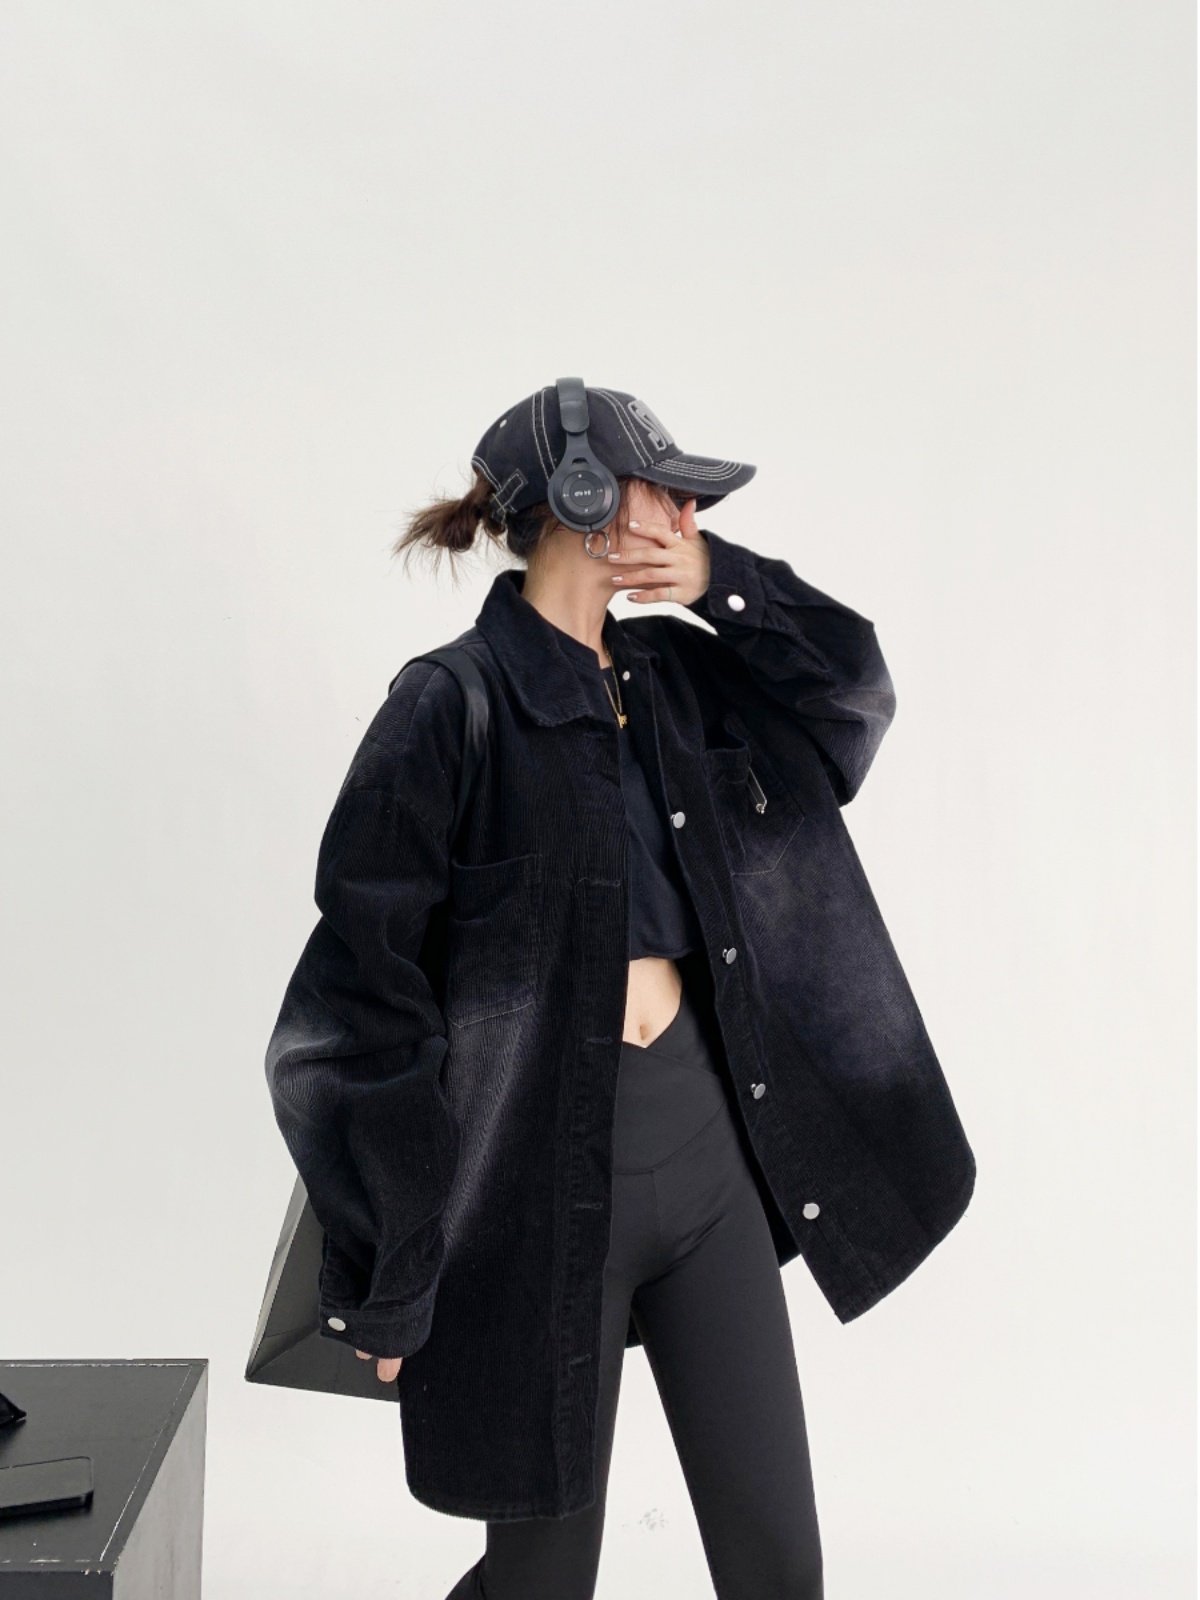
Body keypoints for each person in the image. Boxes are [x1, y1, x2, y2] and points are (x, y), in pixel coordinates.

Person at [264, 382, 976, 1600]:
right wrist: (393, 1259)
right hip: (536, 1201)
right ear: (584, 498)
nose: (690, 515)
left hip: (707, 1165)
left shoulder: (682, 678)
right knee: (541, 1577)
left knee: (780, 1564)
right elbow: (352, 1017)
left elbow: (853, 696)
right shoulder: (449, 706)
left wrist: (723, 583)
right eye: (669, 491)